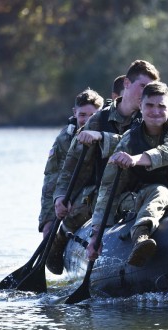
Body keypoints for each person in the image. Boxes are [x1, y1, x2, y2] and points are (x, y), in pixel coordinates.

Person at [86, 81, 168, 267]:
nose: (155, 111)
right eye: (149, 105)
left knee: (162, 191)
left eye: (161, 106)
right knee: (159, 191)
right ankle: (141, 237)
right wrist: (96, 234)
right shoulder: (129, 141)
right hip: (155, 197)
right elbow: (109, 187)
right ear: (140, 106)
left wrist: (136, 159)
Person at [47, 60, 160, 275]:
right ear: (126, 83)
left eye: (152, 88)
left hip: (138, 187)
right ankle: (60, 238)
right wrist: (60, 196)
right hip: (103, 191)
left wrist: (103, 138)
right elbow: (72, 164)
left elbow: (137, 143)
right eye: (143, 87)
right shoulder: (99, 119)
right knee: (79, 207)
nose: (148, 94)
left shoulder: (150, 116)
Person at [38, 88, 104, 239]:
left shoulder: (109, 134)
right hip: (69, 195)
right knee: (50, 231)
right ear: (74, 112)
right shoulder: (64, 139)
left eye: (93, 115)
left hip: (97, 194)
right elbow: (52, 178)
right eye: (82, 115)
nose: (87, 120)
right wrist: (48, 219)